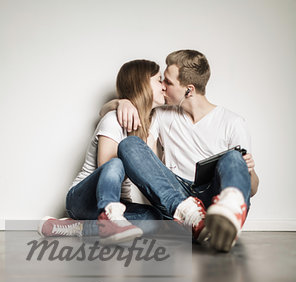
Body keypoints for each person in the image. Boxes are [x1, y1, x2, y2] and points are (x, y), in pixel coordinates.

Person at [104, 49, 259, 252]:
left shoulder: (233, 122)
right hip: (177, 200)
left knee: (233, 157)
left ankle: (228, 211)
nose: (162, 88)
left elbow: (253, 188)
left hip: (216, 198)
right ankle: (194, 219)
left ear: (189, 90)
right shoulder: (162, 114)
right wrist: (120, 102)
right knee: (129, 145)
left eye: (167, 83)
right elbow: (142, 157)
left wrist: (247, 170)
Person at [39, 59, 165, 244]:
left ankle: (76, 227)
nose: (163, 86)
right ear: (143, 84)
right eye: (159, 80)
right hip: (84, 200)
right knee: (116, 162)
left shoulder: (151, 127)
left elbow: (149, 179)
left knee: (155, 219)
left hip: (119, 206)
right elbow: (108, 168)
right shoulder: (113, 119)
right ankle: (108, 219)